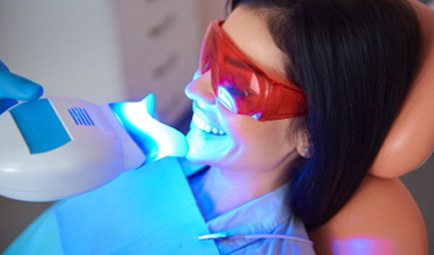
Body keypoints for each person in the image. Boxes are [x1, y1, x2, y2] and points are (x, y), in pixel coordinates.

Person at [1, 0, 423, 254]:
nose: (193, 87)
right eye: (210, 53)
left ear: (312, 133)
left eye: (236, 83)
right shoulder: (145, 143)